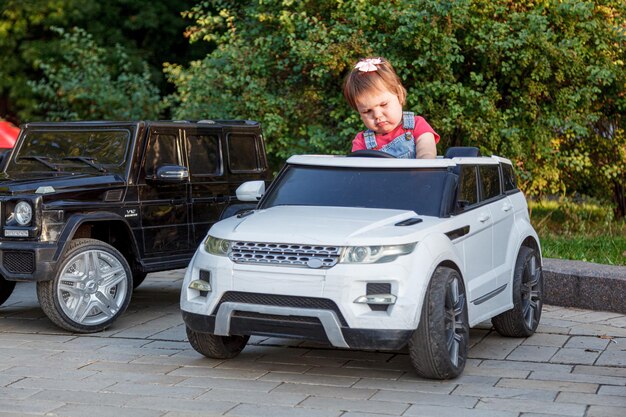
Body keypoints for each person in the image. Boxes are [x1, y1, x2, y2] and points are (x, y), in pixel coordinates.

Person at [343, 57, 439, 158]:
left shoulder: (417, 126)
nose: (377, 115)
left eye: (383, 104)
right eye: (367, 111)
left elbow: (427, 154)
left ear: (399, 95)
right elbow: (357, 170)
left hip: (416, 174)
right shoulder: (361, 142)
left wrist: (423, 165)